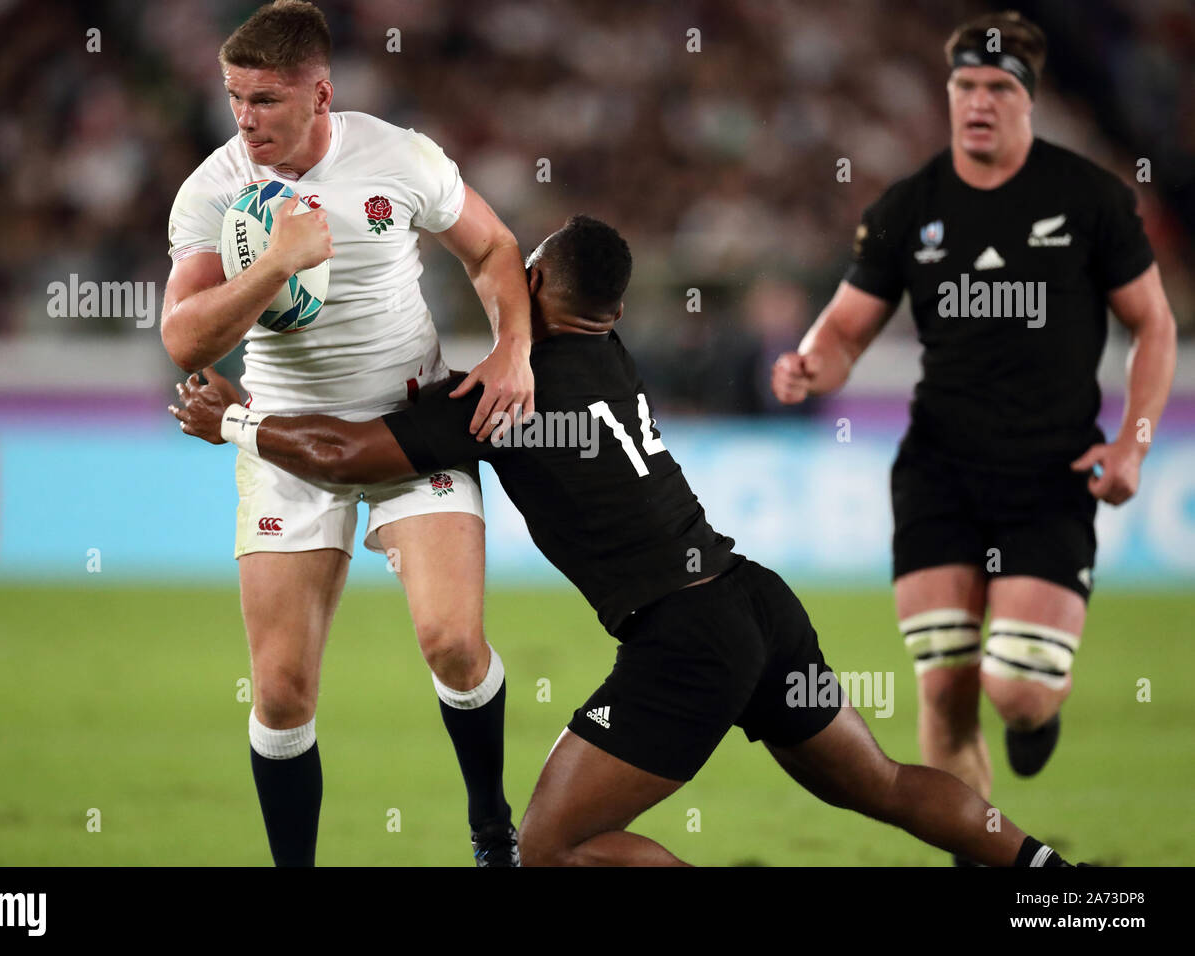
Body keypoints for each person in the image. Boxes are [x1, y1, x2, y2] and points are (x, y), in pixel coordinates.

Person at [171, 214, 1083, 867]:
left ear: (532, 287)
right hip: (753, 599)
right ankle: (1052, 881)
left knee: (551, 849)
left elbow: (341, 454)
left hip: (686, 639)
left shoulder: (505, 397)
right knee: (881, 783)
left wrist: (239, 425)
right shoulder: (611, 357)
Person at [770, 11, 1177, 863]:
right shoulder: (909, 208)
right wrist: (811, 363)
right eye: (965, 87)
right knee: (946, 689)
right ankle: (980, 859)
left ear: (1029, 100)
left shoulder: (1091, 201)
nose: (978, 102)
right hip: (938, 476)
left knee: (1018, 693)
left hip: (1051, 473)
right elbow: (844, 331)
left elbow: (1154, 327)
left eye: (998, 87)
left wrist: (1134, 442)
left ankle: (1037, 718)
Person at [160, 0, 534, 866]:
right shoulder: (215, 190)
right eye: (234, 98)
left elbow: (492, 249)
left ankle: (491, 829)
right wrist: (276, 264)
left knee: (452, 641)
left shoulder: (398, 158)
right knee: (283, 693)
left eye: (265, 101)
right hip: (286, 445)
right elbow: (184, 337)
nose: (244, 120)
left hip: (409, 433)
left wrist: (513, 346)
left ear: (320, 94)